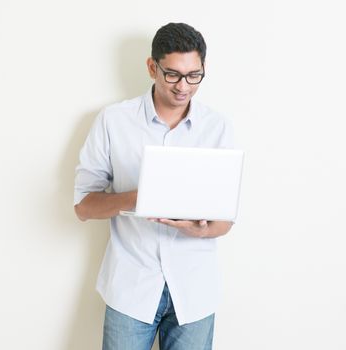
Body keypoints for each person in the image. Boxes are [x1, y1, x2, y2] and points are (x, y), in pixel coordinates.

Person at [73, 22, 235, 350]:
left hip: (194, 291)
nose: (183, 86)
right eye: (173, 74)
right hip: (132, 287)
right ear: (152, 67)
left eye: (194, 76)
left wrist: (199, 229)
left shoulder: (217, 128)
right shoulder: (113, 121)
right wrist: (138, 197)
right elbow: (83, 206)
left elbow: (225, 220)